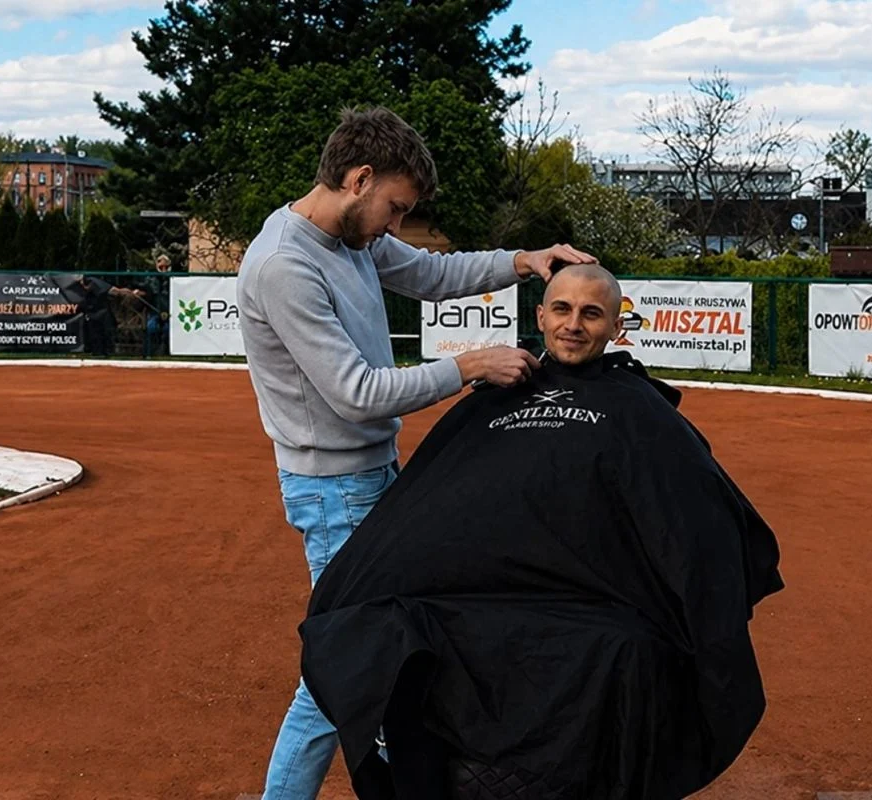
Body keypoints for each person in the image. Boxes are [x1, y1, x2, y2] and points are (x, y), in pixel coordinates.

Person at [299, 263, 785, 800]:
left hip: (593, 596)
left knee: (631, 651)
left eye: (591, 313)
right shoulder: (493, 397)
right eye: (561, 309)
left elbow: (690, 514)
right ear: (540, 315)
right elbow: (430, 500)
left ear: (616, 327)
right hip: (473, 588)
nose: (573, 325)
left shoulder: (639, 409)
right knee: (381, 629)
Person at [236, 106, 597, 800]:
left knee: (375, 657)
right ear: (358, 178)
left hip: (370, 479)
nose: (394, 227)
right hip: (335, 492)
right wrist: (471, 365)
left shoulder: (352, 239)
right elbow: (357, 392)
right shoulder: (284, 264)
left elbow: (432, 275)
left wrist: (526, 261)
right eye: (394, 208)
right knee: (343, 671)